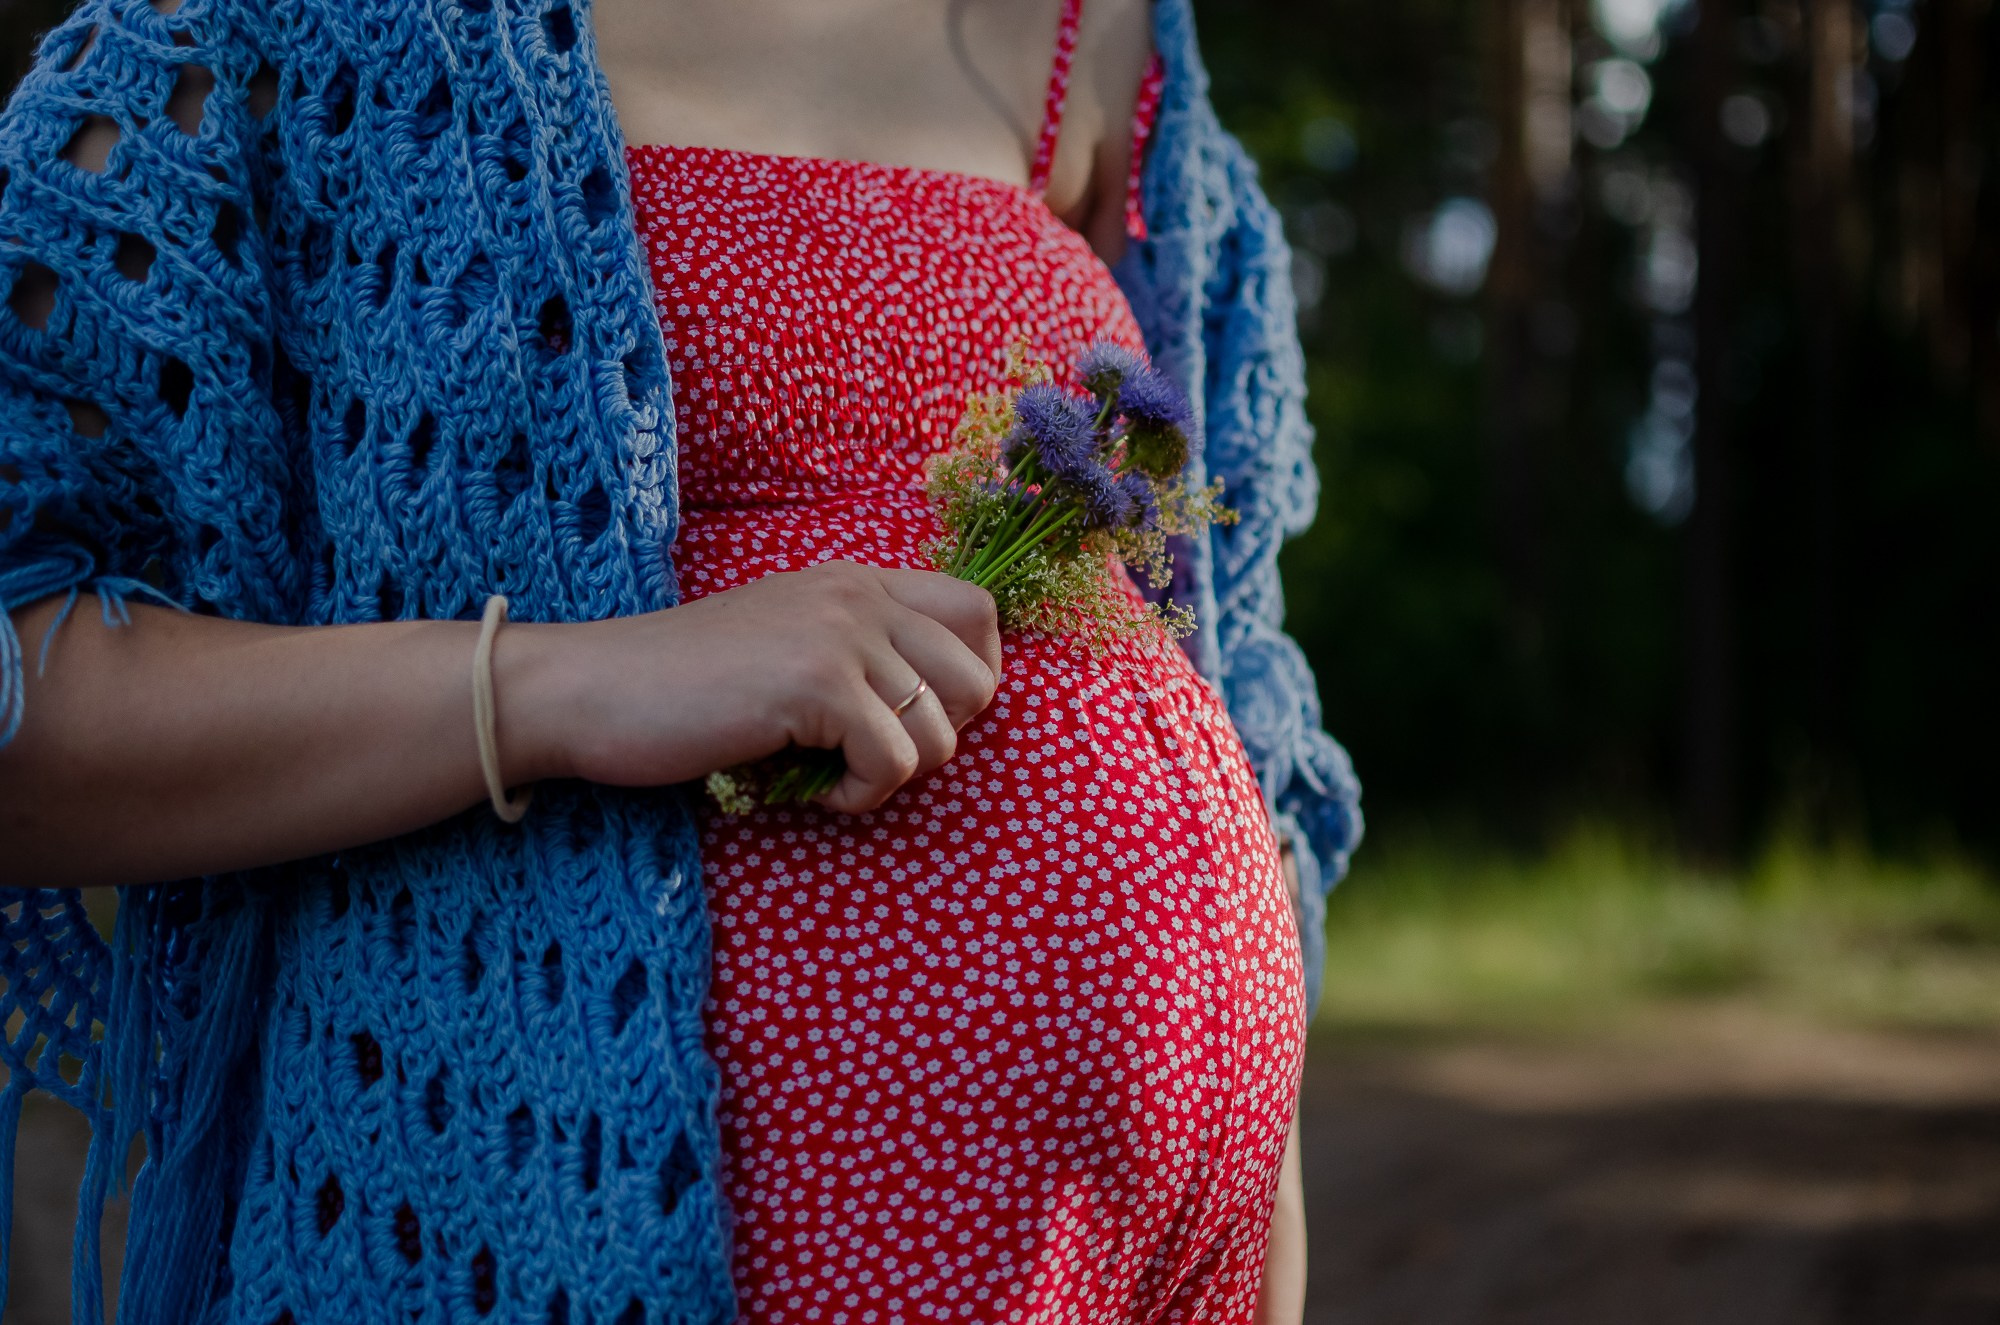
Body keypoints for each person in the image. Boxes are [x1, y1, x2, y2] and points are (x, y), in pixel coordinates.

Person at [0, 0, 1355, 1320]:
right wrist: (564, 684)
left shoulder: (1098, 30)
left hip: (1168, 1234)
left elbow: (1210, 648)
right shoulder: (289, 30)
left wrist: (1262, 1167)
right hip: (606, 1215)